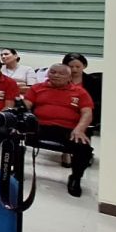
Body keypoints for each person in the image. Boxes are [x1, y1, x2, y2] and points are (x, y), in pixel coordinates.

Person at [23, 64, 95, 197]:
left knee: (83, 148)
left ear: (69, 77)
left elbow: (87, 113)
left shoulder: (79, 92)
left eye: (60, 73)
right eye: (53, 72)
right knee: (14, 136)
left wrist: (80, 129)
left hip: (68, 129)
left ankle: (75, 178)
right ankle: (16, 170)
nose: (55, 75)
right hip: (40, 125)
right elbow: (25, 106)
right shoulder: (37, 88)